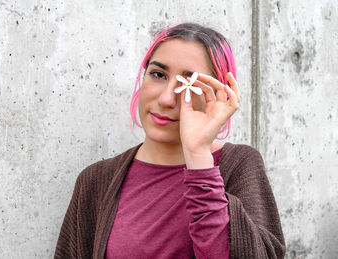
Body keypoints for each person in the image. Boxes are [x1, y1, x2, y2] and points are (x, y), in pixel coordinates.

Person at [54, 23, 285, 259]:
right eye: (158, 75)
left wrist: (198, 157)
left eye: (190, 84)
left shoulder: (239, 166)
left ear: (217, 94)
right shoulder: (95, 182)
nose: (166, 99)